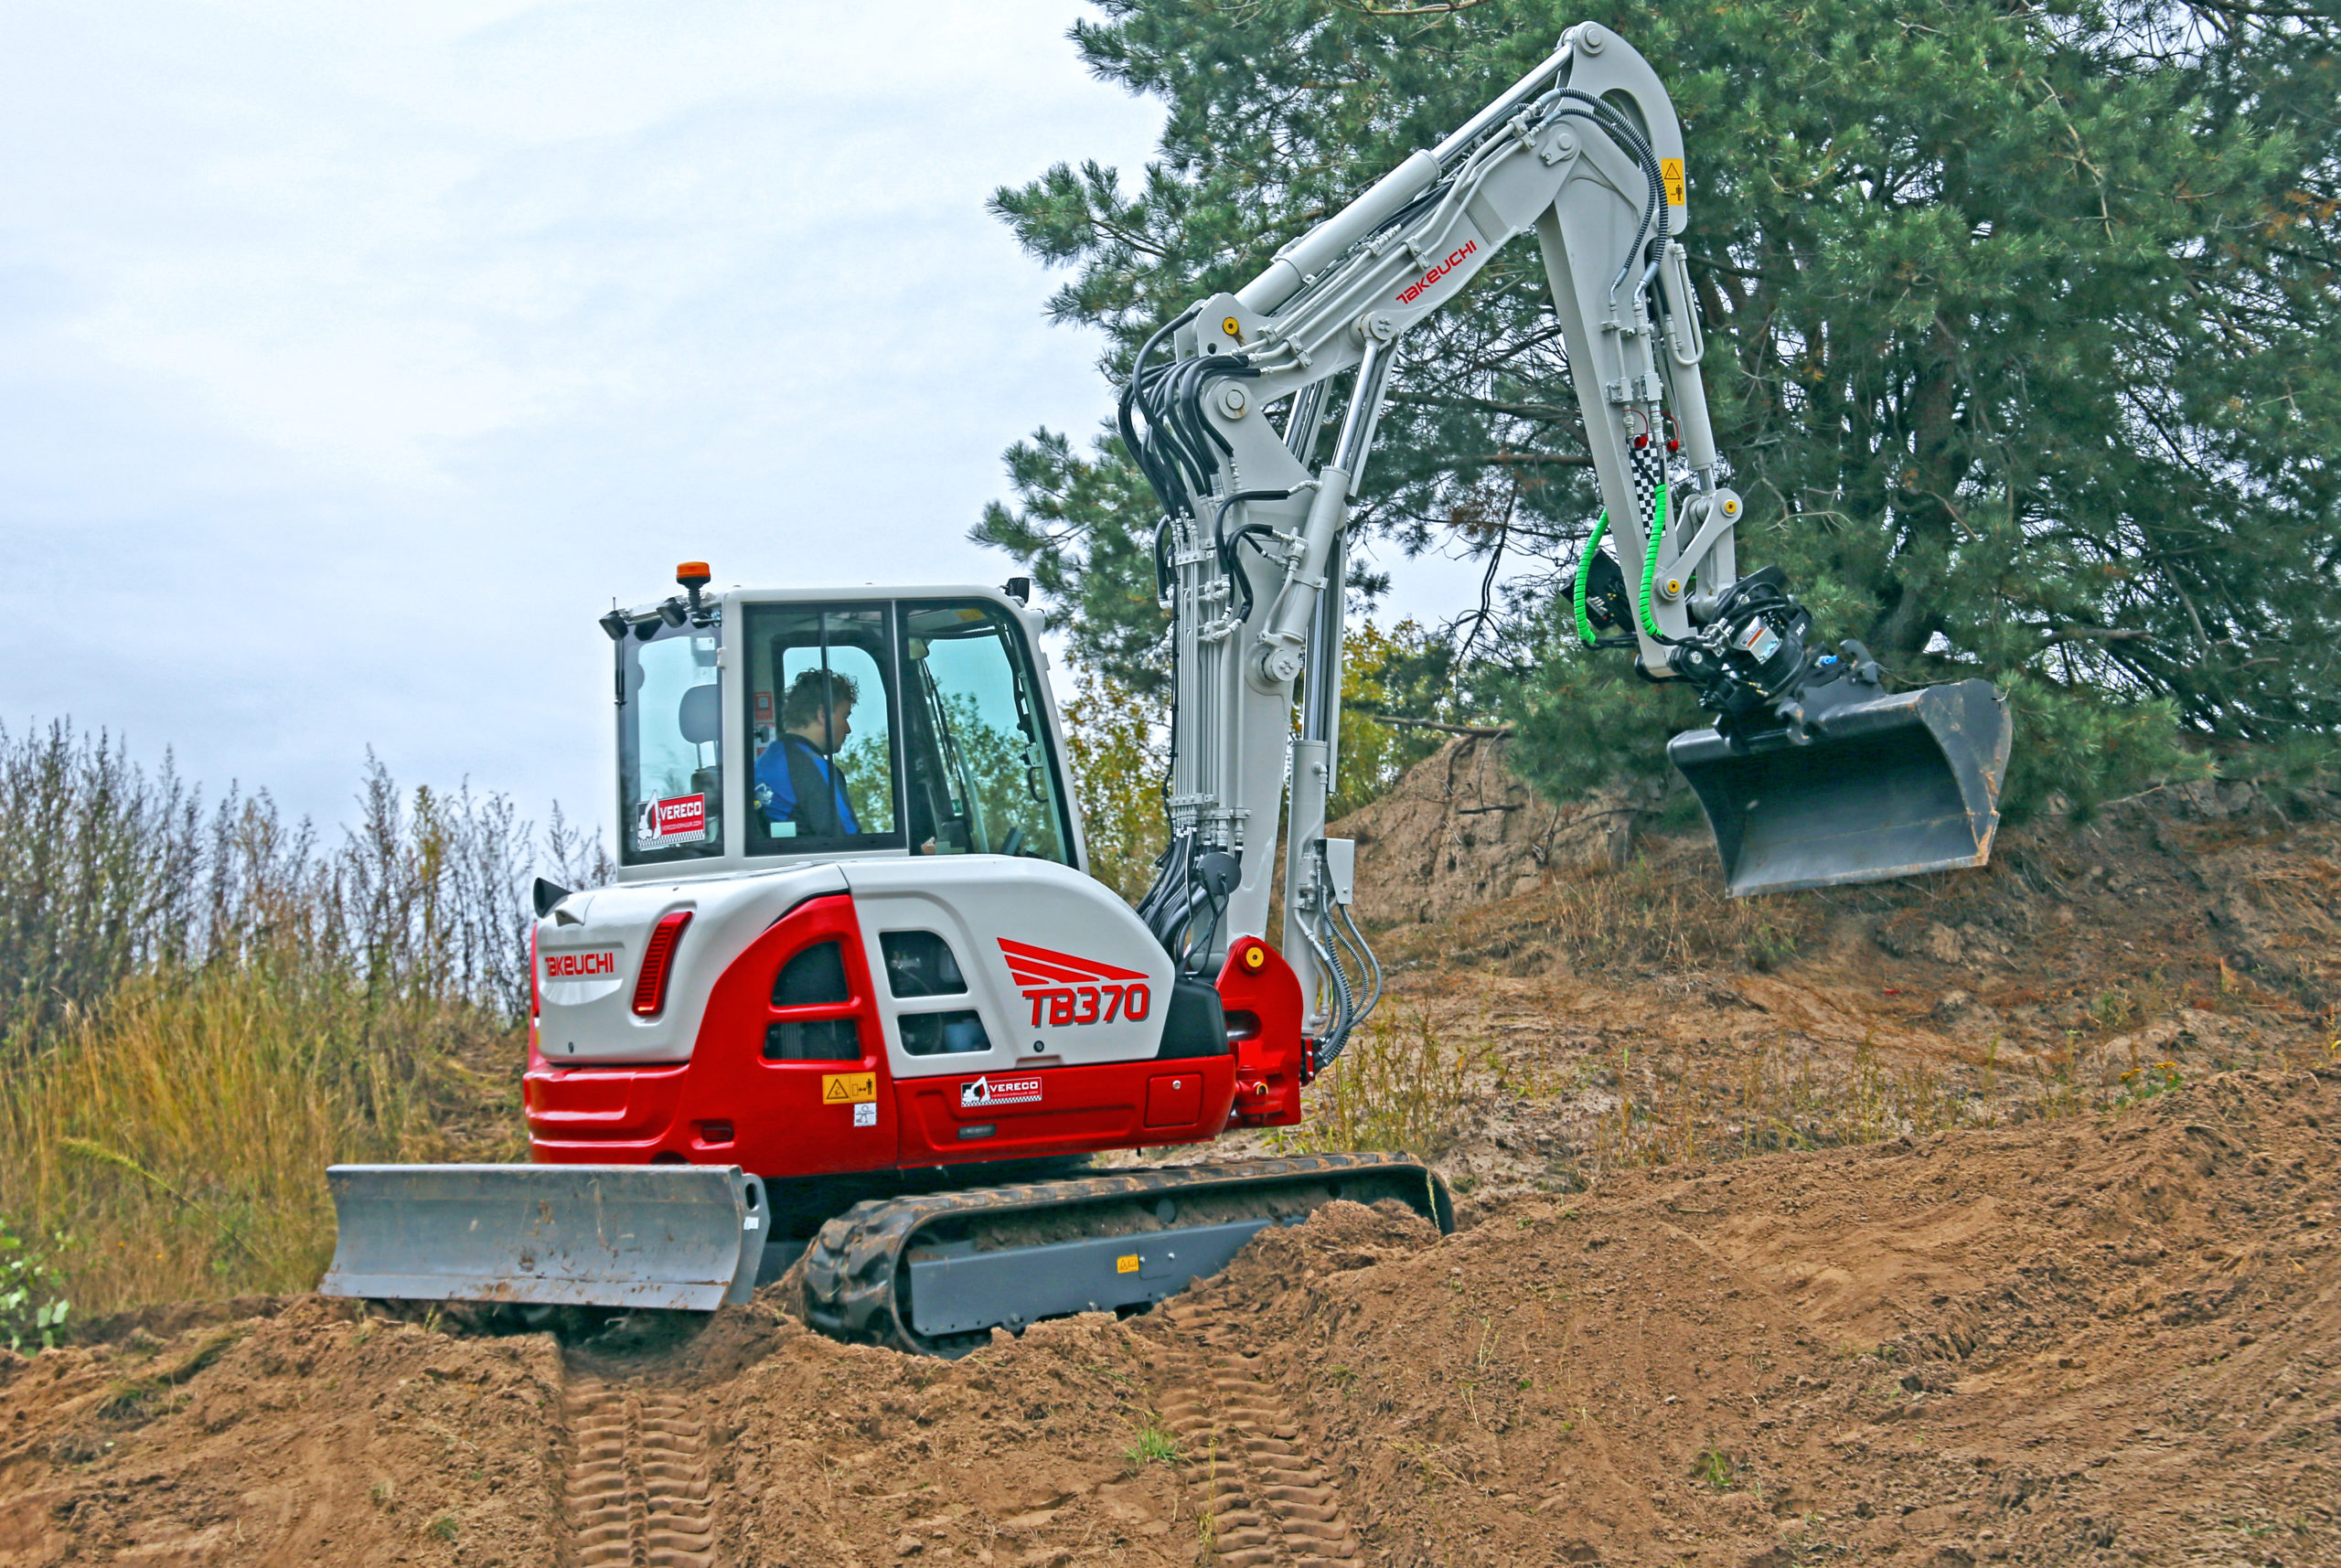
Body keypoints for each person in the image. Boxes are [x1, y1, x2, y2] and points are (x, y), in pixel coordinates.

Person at [754, 668, 861, 837]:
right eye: (844, 716)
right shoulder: (815, 770)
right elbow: (851, 843)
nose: (848, 729)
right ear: (823, 715)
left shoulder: (762, 764)